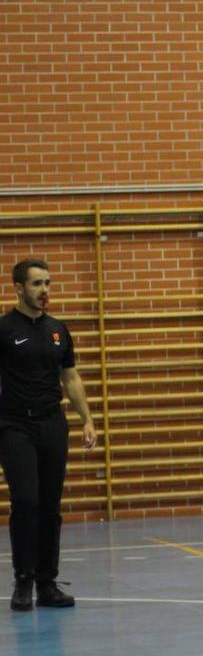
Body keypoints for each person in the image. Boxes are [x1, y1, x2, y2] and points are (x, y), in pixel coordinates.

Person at [0, 259, 96, 611]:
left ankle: (47, 582)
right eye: (37, 284)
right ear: (19, 288)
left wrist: (87, 419)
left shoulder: (58, 329)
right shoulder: (4, 329)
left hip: (52, 423)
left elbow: (70, 377)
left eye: (48, 283)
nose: (45, 291)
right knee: (25, 500)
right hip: (13, 425)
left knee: (50, 504)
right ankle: (23, 580)